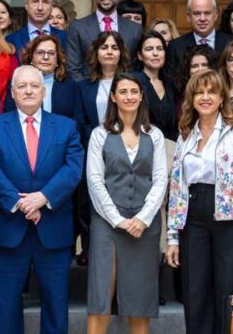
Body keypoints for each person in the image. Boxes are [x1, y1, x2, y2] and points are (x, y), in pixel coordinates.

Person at [0, 65, 84, 334]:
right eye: (22, 86)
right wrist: (21, 203)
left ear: (43, 90)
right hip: (8, 228)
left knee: (55, 306)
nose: (28, 90)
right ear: (12, 92)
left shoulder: (66, 126)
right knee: (5, 307)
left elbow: (73, 169)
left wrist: (43, 197)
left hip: (53, 229)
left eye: (34, 86)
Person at [165, 69, 233, 334]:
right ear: (192, 98)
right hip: (193, 217)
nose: (205, 97)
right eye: (199, 92)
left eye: (212, 91)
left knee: (228, 291)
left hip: (232, 219)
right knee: (195, 291)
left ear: (222, 98)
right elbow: (176, 187)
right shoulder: (185, 134)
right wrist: (172, 236)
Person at [85, 74, 168, 334]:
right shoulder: (100, 134)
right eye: (123, 91)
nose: (129, 96)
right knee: (101, 295)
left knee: (139, 298)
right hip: (107, 223)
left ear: (142, 96)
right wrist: (118, 219)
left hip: (145, 224)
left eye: (134, 91)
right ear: (113, 97)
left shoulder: (154, 135)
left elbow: (160, 180)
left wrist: (142, 219)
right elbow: (95, 181)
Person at [72, 31, 130, 265]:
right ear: (96, 52)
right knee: (88, 199)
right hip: (92, 149)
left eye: (114, 47)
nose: (109, 51)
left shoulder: (130, 82)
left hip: (126, 148)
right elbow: (80, 119)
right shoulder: (84, 85)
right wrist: (99, 141)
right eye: (104, 47)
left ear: (121, 53)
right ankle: (88, 246)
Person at [67, 0, 143, 81]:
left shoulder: (135, 29)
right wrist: (89, 93)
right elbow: (73, 69)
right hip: (89, 93)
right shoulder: (78, 27)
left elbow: (139, 67)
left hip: (126, 94)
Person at [4, 34, 79, 118]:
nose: (46, 57)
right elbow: (9, 115)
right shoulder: (17, 82)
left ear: (58, 58)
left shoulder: (71, 86)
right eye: (40, 52)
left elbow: (77, 120)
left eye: (51, 53)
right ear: (31, 57)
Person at [167, 0, 231, 75]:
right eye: (197, 13)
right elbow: (170, 83)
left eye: (207, 13)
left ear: (216, 15)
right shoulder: (175, 47)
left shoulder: (231, 43)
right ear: (188, 17)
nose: (202, 18)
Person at [131, 30, 178, 141]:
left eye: (160, 49)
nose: (155, 53)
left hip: (170, 148)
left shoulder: (170, 83)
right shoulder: (132, 81)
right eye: (149, 49)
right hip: (141, 146)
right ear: (140, 56)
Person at [5, 0, 69, 63]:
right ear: (26, 5)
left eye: (45, 2)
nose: (40, 7)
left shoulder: (66, 38)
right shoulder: (11, 40)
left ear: (52, 7)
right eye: (35, 1)